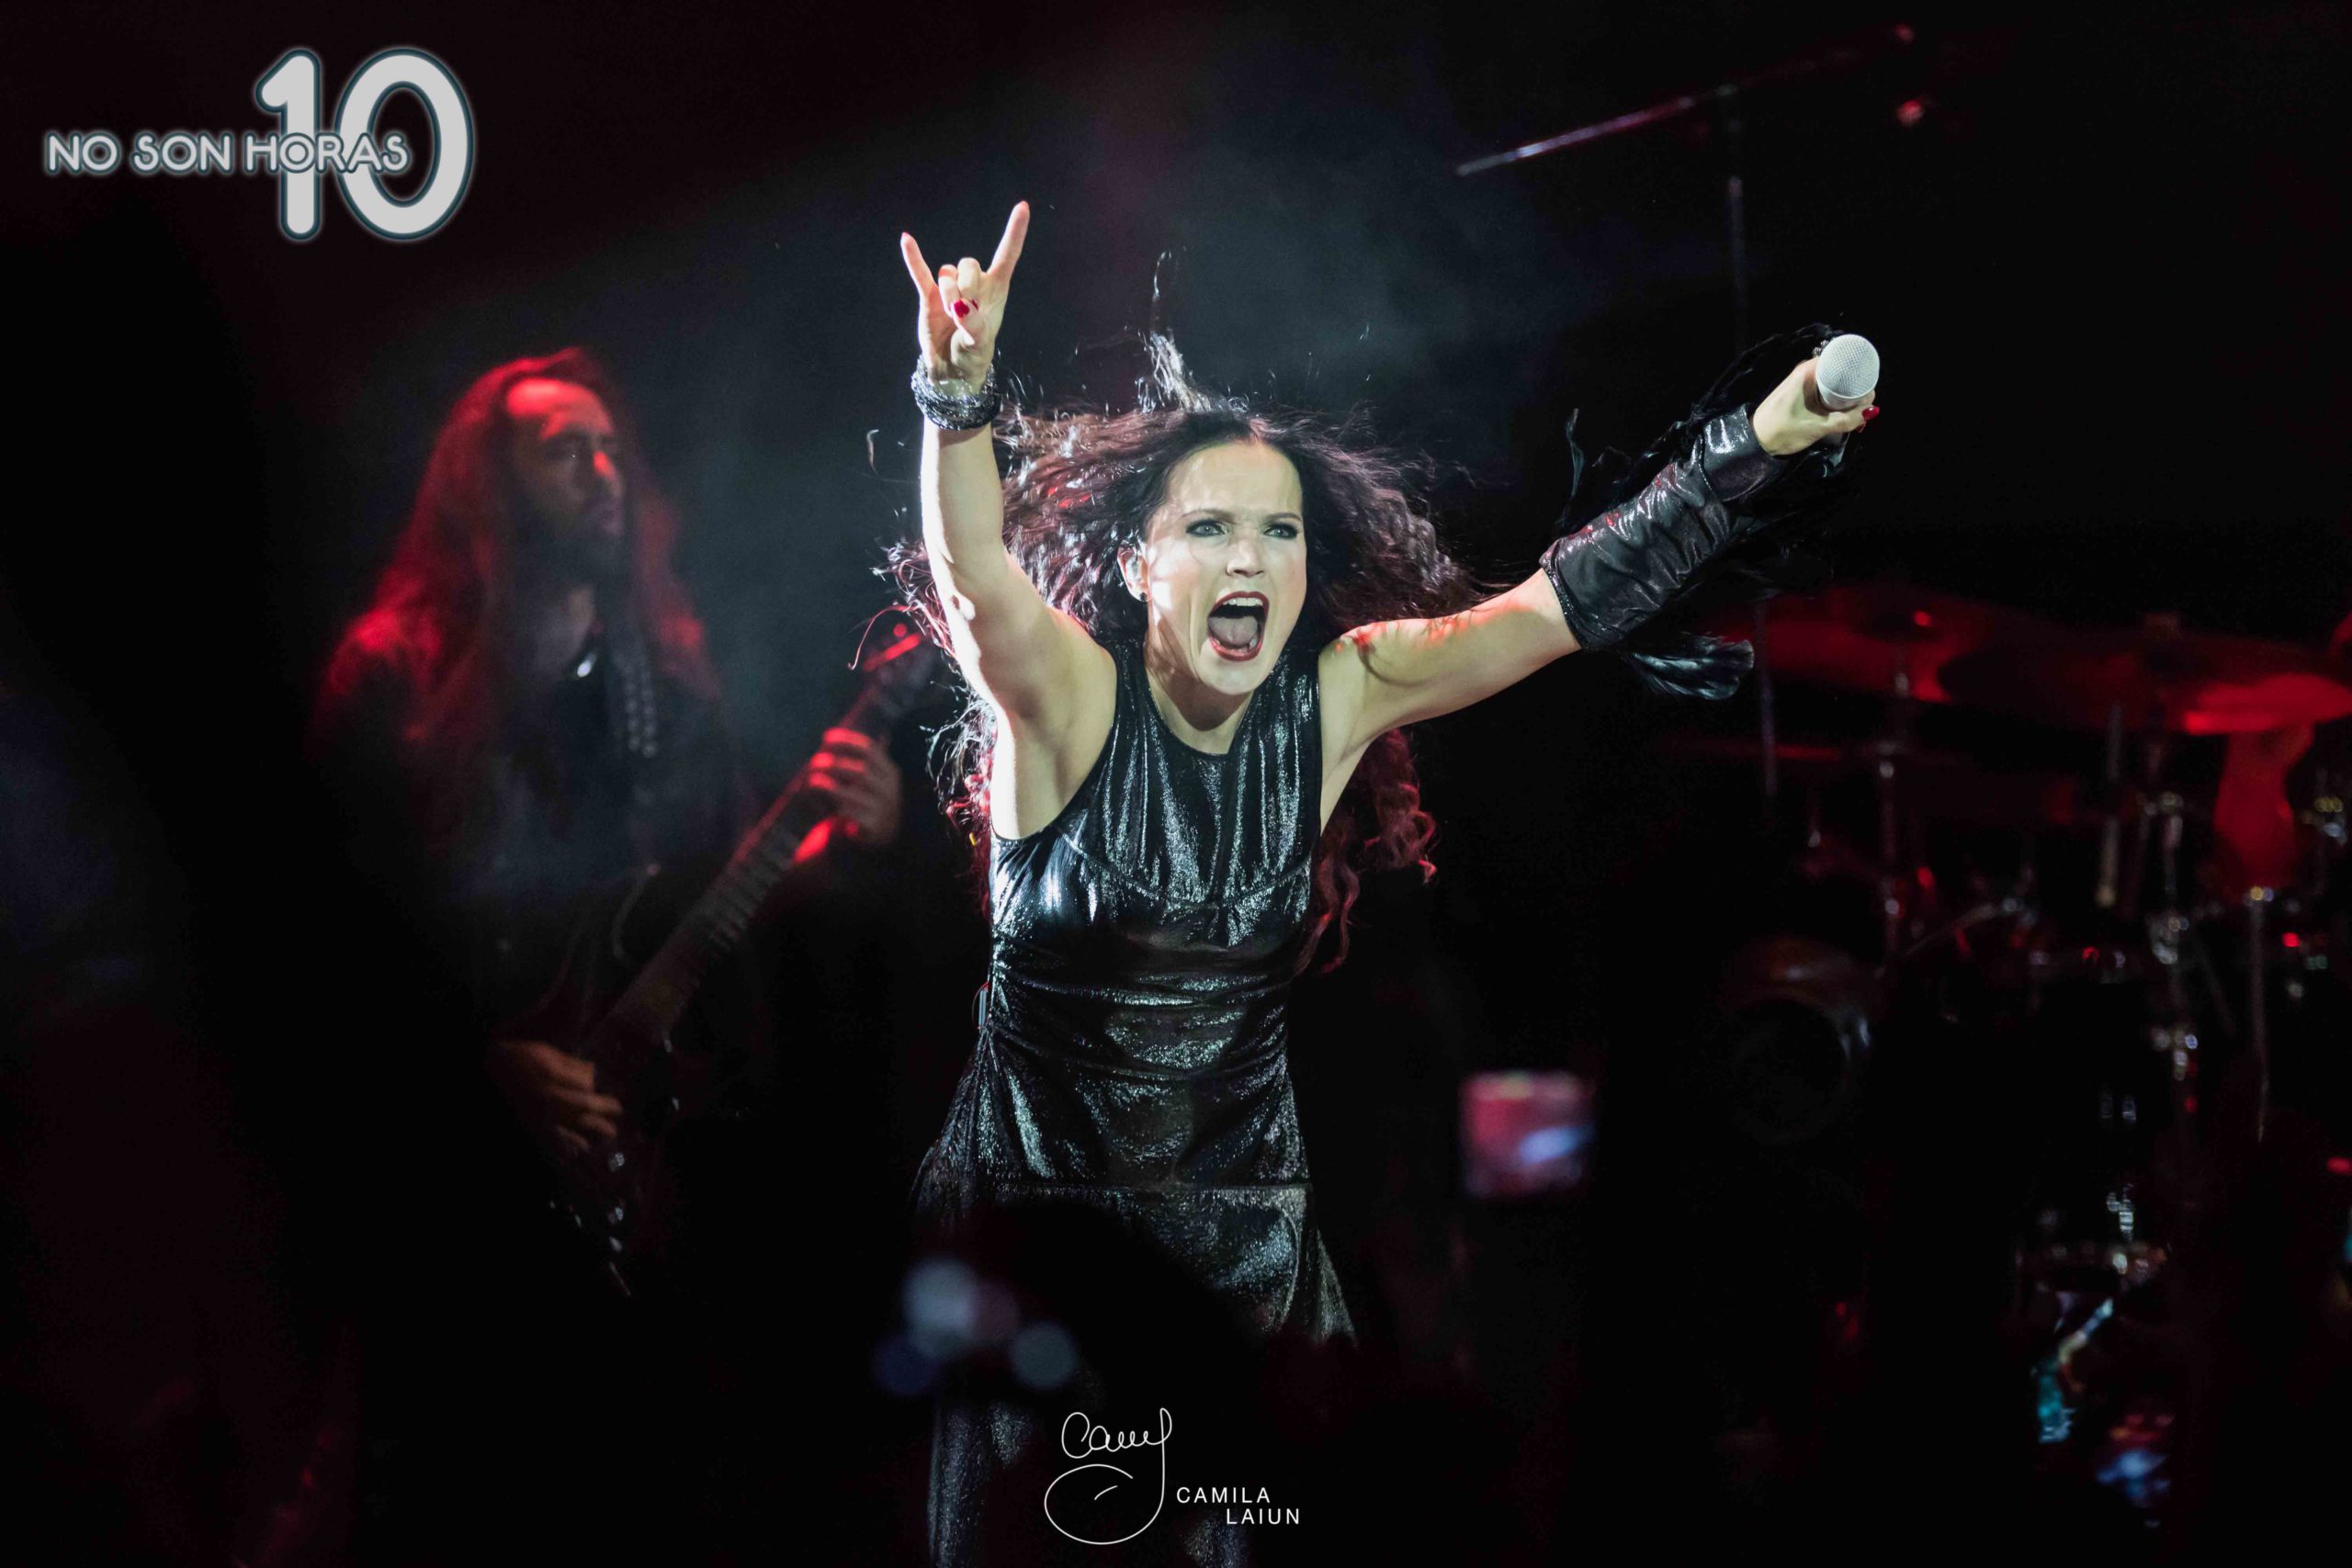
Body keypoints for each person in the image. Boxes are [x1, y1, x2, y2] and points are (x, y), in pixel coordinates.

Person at [888, 202, 1871, 1564]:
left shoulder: (1335, 699)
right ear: (1136, 562)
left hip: (1245, 1259)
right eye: (1212, 528)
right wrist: (955, 396)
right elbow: (974, 577)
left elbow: (1550, 609)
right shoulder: (1069, 700)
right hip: (1050, 1256)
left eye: (1280, 534)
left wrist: (1748, 450)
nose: (1252, 559)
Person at [309, 348, 904, 1558]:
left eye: (611, 449)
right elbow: (327, 939)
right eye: (563, 452)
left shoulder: (663, 685)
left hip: (649, 1188)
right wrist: (480, 1061)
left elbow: (713, 930)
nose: (602, 472)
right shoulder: (391, 676)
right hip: (454, 1185)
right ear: (486, 486)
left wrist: (851, 845)